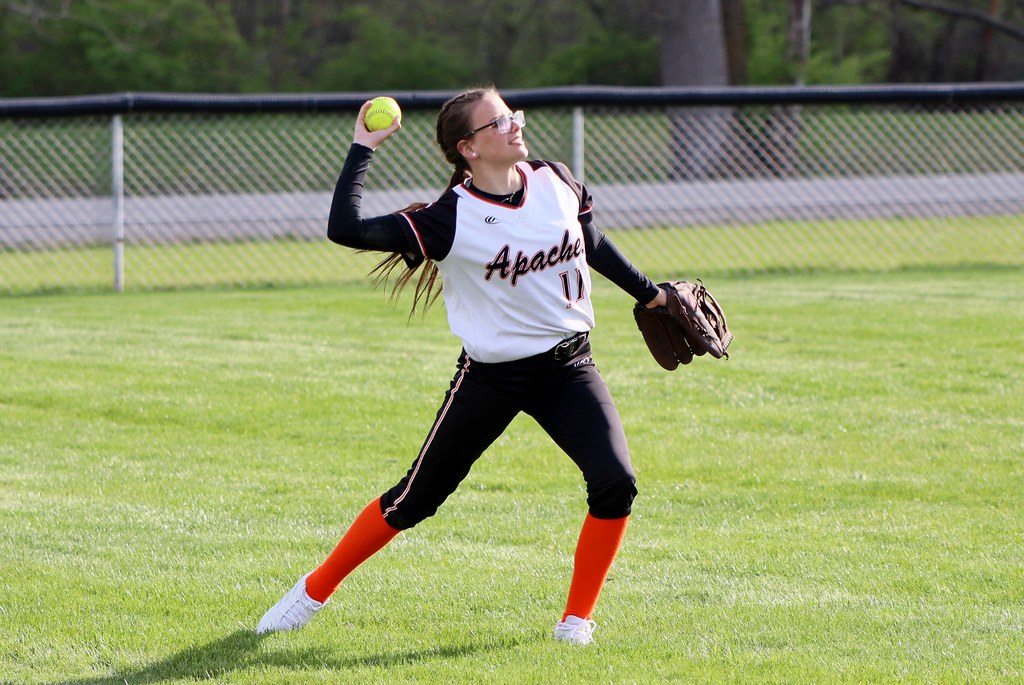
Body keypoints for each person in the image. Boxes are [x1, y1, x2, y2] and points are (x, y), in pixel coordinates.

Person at [256, 86, 668, 646]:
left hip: (569, 366)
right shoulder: (448, 219)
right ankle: (312, 591)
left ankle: (576, 621)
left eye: (512, 115)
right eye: (499, 122)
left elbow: (591, 243)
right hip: (492, 378)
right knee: (414, 501)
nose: (515, 125)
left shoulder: (556, 179)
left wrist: (651, 295)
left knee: (616, 482)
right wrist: (363, 147)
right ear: (469, 148)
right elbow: (345, 229)